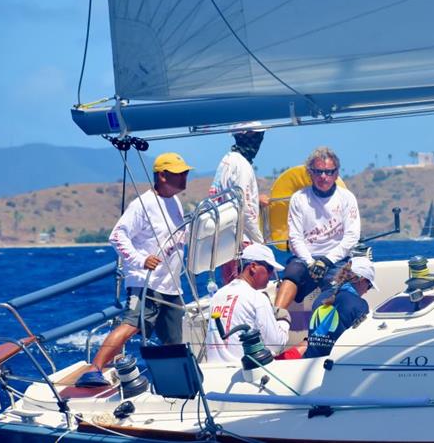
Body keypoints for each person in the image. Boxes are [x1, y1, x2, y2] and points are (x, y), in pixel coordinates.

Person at [76, 152, 192, 387]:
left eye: (185, 173)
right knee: (131, 325)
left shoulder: (175, 201)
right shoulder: (143, 204)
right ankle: (93, 370)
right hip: (146, 283)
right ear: (162, 176)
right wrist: (141, 260)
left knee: (174, 341)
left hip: (170, 286)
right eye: (179, 174)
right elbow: (117, 236)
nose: (184, 177)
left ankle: (176, 386)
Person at [274, 147, 361, 310]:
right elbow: (295, 237)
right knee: (292, 273)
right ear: (310, 173)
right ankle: (276, 317)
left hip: (336, 259)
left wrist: (326, 261)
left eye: (329, 172)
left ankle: (325, 331)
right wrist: (310, 262)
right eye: (318, 171)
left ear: (336, 173)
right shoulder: (299, 199)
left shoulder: (346, 198)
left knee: (339, 288)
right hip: (306, 258)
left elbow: (352, 236)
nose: (323, 176)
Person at [205, 243, 291, 362]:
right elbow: (277, 345)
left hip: (216, 372)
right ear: (253, 266)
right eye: (269, 269)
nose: (271, 275)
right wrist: (283, 320)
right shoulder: (257, 298)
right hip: (245, 371)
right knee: (304, 345)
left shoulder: (217, 295)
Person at [209, 122, 267, 284]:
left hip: (226, 241)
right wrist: (259, 242)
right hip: (243, 242)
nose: (259, 140)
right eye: (256, 135)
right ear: (244, 136)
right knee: (246, 289)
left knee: (231, 288)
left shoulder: (227, 161)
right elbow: (244, 208)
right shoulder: (242, 165)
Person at [302, 256, 377, 358]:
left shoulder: (321, 296)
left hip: (307, 361)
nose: (367, 291)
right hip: (337, 365)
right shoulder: (360, 305)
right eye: (369, 285)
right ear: (361, 280)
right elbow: (363, 342)